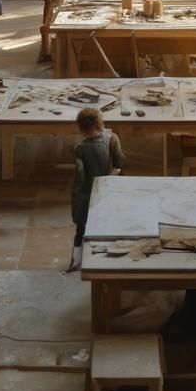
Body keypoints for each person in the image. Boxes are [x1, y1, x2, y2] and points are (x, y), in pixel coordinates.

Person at [67, 107, 124, 271]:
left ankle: (76, 261)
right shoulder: (112, 138)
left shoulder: (80, 149)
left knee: (81, 228)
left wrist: (76, 202)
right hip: (107, 189)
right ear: (101, 123)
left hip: (87, 194)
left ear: (80, 127)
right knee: (109, 225)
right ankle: (108, 262)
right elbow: (119, 165)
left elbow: (80, 179)